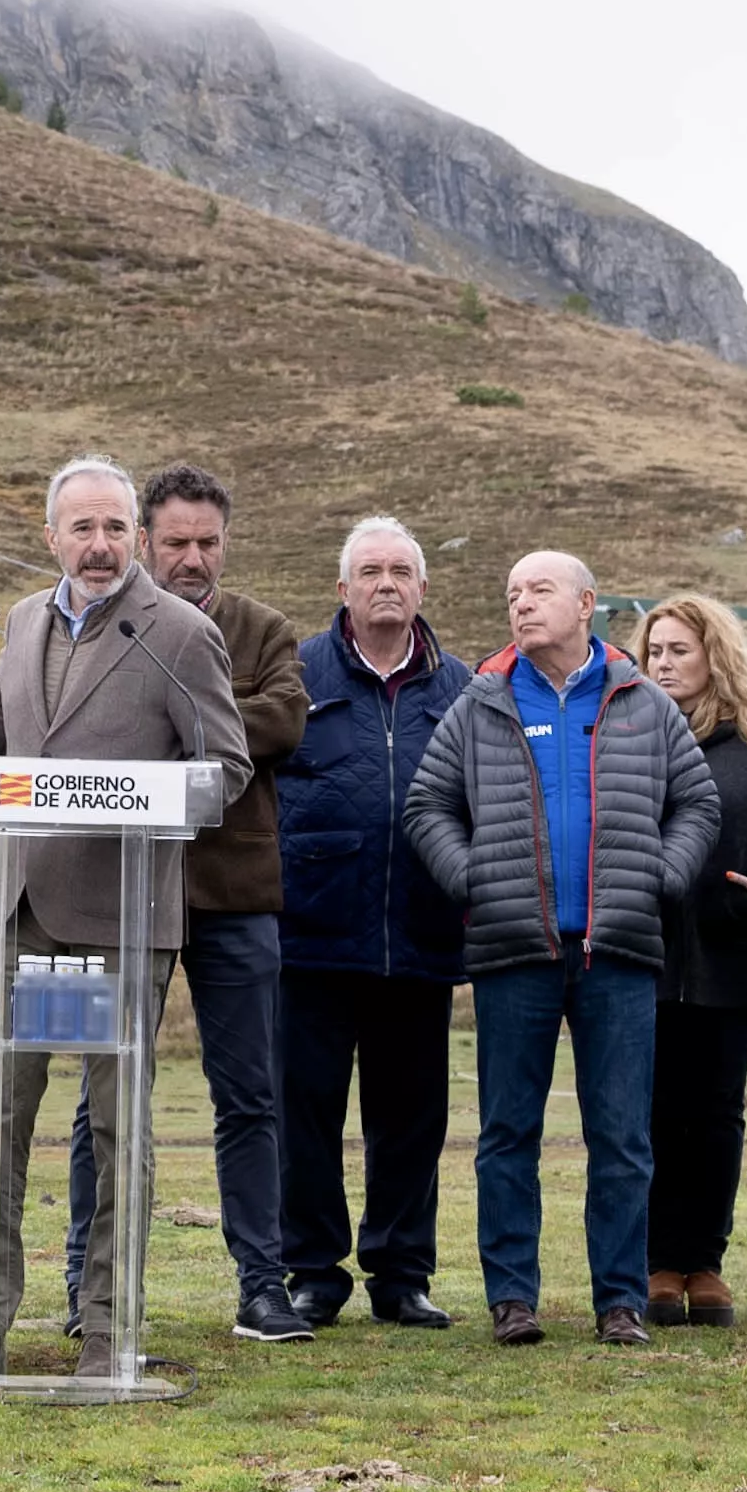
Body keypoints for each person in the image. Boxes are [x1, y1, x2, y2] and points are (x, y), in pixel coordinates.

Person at [0, 456, 251, 1379]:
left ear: (136, 535)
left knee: (115, 1128)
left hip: (118, 918)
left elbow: (227, 769)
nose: (99, 546)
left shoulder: (178, 632)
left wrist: (123, 799)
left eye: (115, 528)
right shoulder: (18, 621)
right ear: (50, 535)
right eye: (81, 529)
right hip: (18, 913)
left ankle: (105, 1329)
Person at [407, 551, 717, 1347]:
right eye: (512, 591)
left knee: (622, 1135)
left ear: (587, 604)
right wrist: (473, 878)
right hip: (514, 951)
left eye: (538, 590)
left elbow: (697, 803)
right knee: (508, 1133)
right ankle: (513, 1297)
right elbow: (427, 806)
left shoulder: (643, 701)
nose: (521, 603)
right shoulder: (483, 701)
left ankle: (621, 1300)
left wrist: (662, 876)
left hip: (617, 951)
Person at [59, 463, 313, 1343]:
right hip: (119, 892)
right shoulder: (97, 624)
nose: (193, 558)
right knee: (105, 1091)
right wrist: (203, 717)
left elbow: (284, 722)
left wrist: (171, 715)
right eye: (176, 542)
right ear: (143, 539)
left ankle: (261, 1286)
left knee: (250, 1095)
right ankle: (86, 1288)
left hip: (237, 896)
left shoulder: (267, 628)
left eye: (208, 542)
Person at [274, 517, 474, 1329]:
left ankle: (401, 1272)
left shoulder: (462, 686)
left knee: (411, 1118)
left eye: (400, 570)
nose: (385, 582)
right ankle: (313, 1271)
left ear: (422, 588)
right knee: (306, 1113)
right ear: (343, 588)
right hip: (310, 936)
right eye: (370, 570)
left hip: (422, 935)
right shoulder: (294, 674)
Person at [634, 593, 747, 1330]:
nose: (665, 663)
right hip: (640, 960)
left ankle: (703, 1263)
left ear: (717, 656)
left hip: (730, 963)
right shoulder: (622, 738)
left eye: (680, 649)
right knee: (646, 1116)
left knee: (714, 1118)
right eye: (655, 651)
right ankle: (654, 1264)